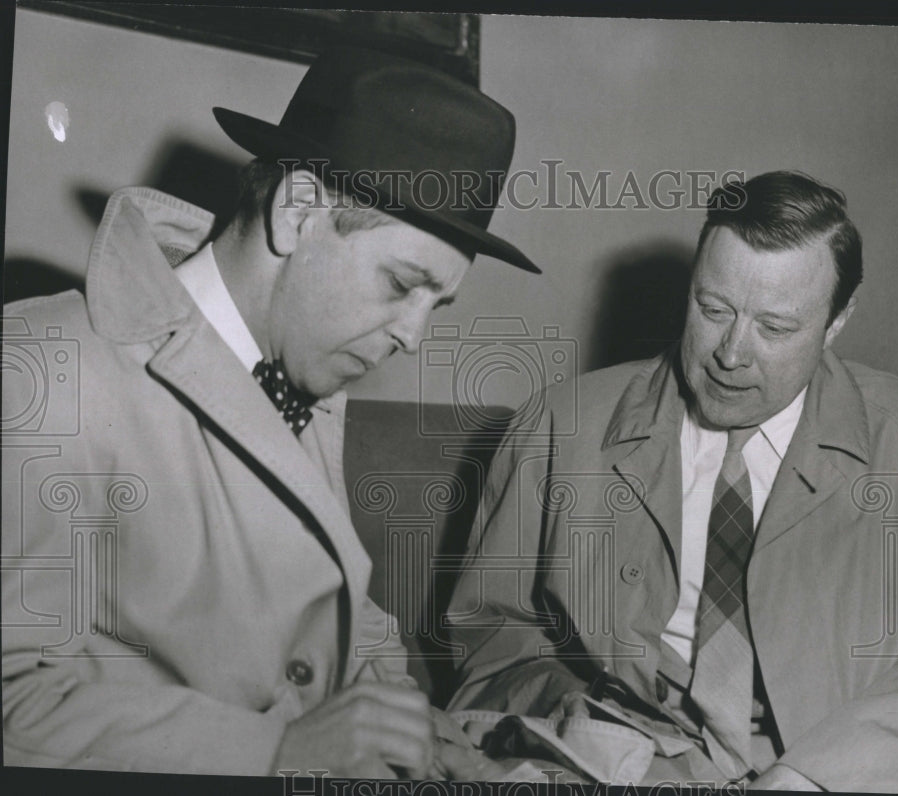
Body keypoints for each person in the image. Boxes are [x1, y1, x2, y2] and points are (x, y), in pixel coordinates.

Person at [1, 45, 538, 777]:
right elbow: (13, 703)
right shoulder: (43, 364)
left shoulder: (302, 371)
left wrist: (424, 730)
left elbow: (331, 611)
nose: (414, 336)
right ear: (298, 211)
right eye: (400, 285)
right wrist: (280, 751)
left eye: (436, 305)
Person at [446, 171, 898, 791]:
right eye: (712, 310)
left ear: (838, 320)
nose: (731, 354)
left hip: (850, 763)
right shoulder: (559, 425)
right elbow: (493, 634)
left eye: (775, 328)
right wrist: (594, 726)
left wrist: (809, 780)